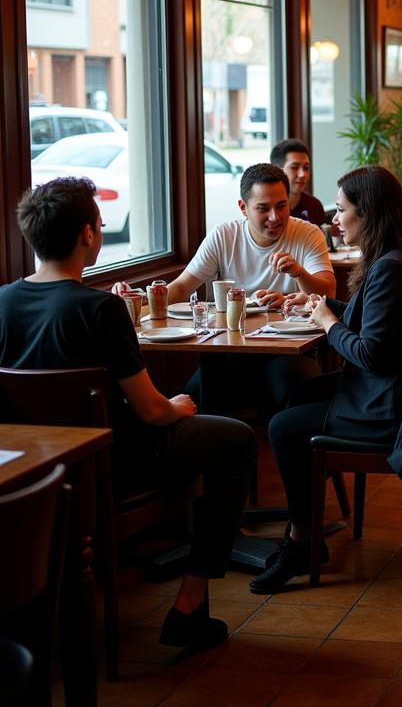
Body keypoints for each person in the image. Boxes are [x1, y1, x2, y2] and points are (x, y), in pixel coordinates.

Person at [0, 178, 256, 653]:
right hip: (117, 461)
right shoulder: (100, 308)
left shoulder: (3, 301)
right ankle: (189, 605)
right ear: (88, 235)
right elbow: (151, 411)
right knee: (238, 441)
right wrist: (176, 405)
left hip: (31, 470)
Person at [248, 166, 402, 592]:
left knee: (282, 427)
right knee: (297, 393)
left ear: (367, 213)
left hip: (388, 404)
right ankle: (306, 526)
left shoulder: (392, 267)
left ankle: (301, 540)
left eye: (341, 209)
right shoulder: (396, 257)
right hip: (396, 388)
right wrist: (320, 302)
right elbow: (377, 322)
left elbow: (370, 353)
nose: (335, 220)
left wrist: (329, 322)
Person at [115, 163, 336, 413]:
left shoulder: (308, 234)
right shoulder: (224, 235)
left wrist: (299, 273)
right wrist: (136, 299)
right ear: (243, 208)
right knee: (197, 391)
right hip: (230, 349)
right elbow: (180, 288)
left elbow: (329, 291)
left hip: (287, 350)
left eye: (281, 206)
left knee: (293, 383)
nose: (275, 217)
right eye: (263, 208)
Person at [270, 138, 327, 226]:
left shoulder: (314, 206)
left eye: (306, 168)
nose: (302, 174)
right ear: (277, 170)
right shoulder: (266, 208)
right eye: (294, 167)